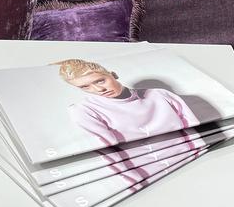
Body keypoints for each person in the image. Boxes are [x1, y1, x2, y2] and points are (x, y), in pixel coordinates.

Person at [55, 59, 198, 146]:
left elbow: (195, 132)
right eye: (85, 87)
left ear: (113, 75)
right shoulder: (84, 111)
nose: (99, 89)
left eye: (100, 80)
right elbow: (109, 152)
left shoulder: (160, 95)